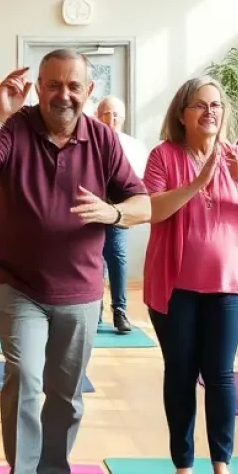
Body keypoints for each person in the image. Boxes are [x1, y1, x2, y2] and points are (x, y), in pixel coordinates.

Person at [0, 51, 150, 474]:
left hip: (80, 288)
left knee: (66, 393)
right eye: (54, 85)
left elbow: (143, 202)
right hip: (18, 284)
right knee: (24, 379)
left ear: (89, 90)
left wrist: (114, 213)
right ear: (38, 86)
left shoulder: (101, 139)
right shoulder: (15, 128)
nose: (64, 94)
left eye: (74, 86)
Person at [144, 77, 238, 474]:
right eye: (200, 105)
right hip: (175, 286)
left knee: (221, 375)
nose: (210, 112)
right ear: (182, 114)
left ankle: (223, 468)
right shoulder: (164, 156)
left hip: (229, 285)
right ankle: (183, 466)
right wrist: (197, 182)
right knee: (181, 373)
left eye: (217, 105)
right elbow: (152, 210)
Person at [96, 95, 148, 334]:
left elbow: (140, 181)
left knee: (117, 259)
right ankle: (94, 309)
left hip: (119, 212)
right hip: (93, 210)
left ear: (123, 118)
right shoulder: (89, 140)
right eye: (106, 113)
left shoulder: (133, 145)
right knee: (94, 260)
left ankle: (120, 310)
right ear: (98, 116)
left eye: (115, 114)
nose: (111, 119)